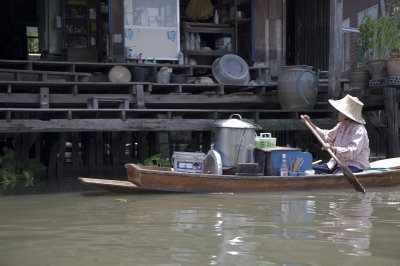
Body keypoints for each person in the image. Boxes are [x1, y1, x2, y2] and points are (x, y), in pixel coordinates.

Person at [301, 94, 370, 174]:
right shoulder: (340, 126)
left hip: (355, 166)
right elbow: (326, 136)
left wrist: (334, 149)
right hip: (335, 164)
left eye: (340, 111)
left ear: (346, 115)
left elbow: (353, 151)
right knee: (311, 172)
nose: (337, 112)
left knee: (336, 175)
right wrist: (310, 123)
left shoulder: (359, 129)